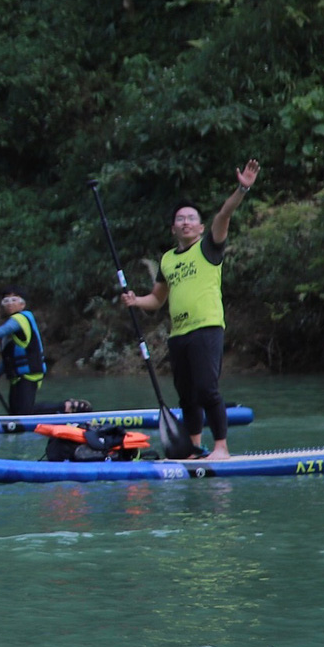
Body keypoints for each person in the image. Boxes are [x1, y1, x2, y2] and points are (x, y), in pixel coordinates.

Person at [120, 159, 261, 460]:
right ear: (173, 228)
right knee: (187, 397)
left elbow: (224, 214)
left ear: (199, 226)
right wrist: (135, 301)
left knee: (207, 390)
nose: (185, 222)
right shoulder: (168, 259)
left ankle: (221, 448)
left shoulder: (209, 246)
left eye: (191, 218)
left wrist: (241, 189)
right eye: (180, 219)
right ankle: (193, 448)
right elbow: (157, 300)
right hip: (179, 334)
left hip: (207, 327)